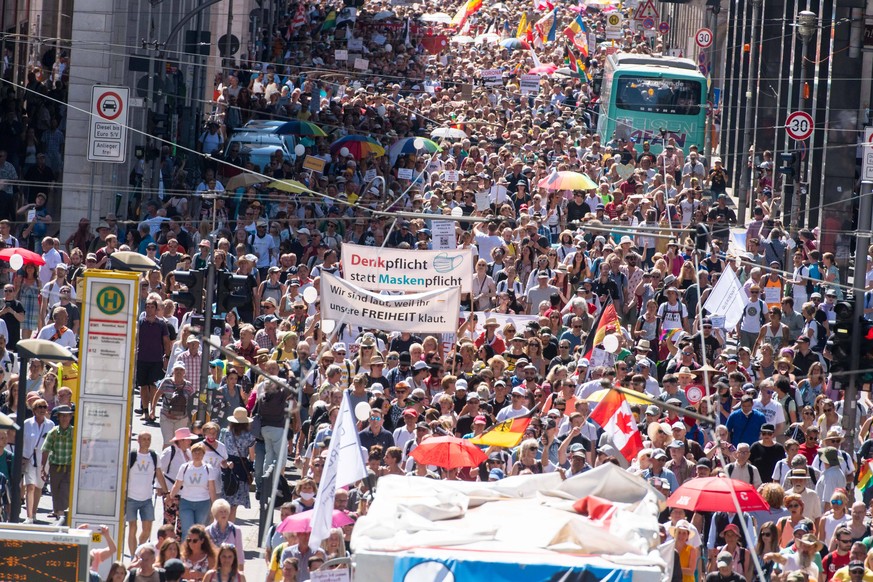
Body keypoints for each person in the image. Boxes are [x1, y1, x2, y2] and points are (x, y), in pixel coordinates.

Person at [126, 432, 169, 556]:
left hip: (147, 498)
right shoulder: (132, 455)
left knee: (147, 530)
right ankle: (134, 555)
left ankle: (139, 549)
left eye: (148, 439)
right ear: (138, 440)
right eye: (144, 439)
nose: (146, 441)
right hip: (131, 498)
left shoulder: (154, 456)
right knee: (133, 527)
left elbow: (159, 474)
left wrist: (166, 491)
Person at [169, 442, 218, 536]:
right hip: (186, 502)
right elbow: (177, 484)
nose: (197, 455)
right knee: (187, 530)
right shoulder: (185, 467)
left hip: (203, 502)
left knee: (199, 531)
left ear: (204, 454)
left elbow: (212, 488)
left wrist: (214, 505)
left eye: (200, 453)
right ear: (191, 453)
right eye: (195, 452)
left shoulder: (208, 468)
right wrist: (170, 497)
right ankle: (185, 550)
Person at [39, 403, 74, 522]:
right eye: (62, 416)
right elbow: (45, 450)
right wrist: (43, 467)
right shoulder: (53, 432)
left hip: (69, 467)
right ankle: (57, 511)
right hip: (55, 466)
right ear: (58, 417)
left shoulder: (74, 432)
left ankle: (62, 514)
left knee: (65, 490)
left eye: (67, 416)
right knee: (55, 489)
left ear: (70, 417)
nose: (64, 419)